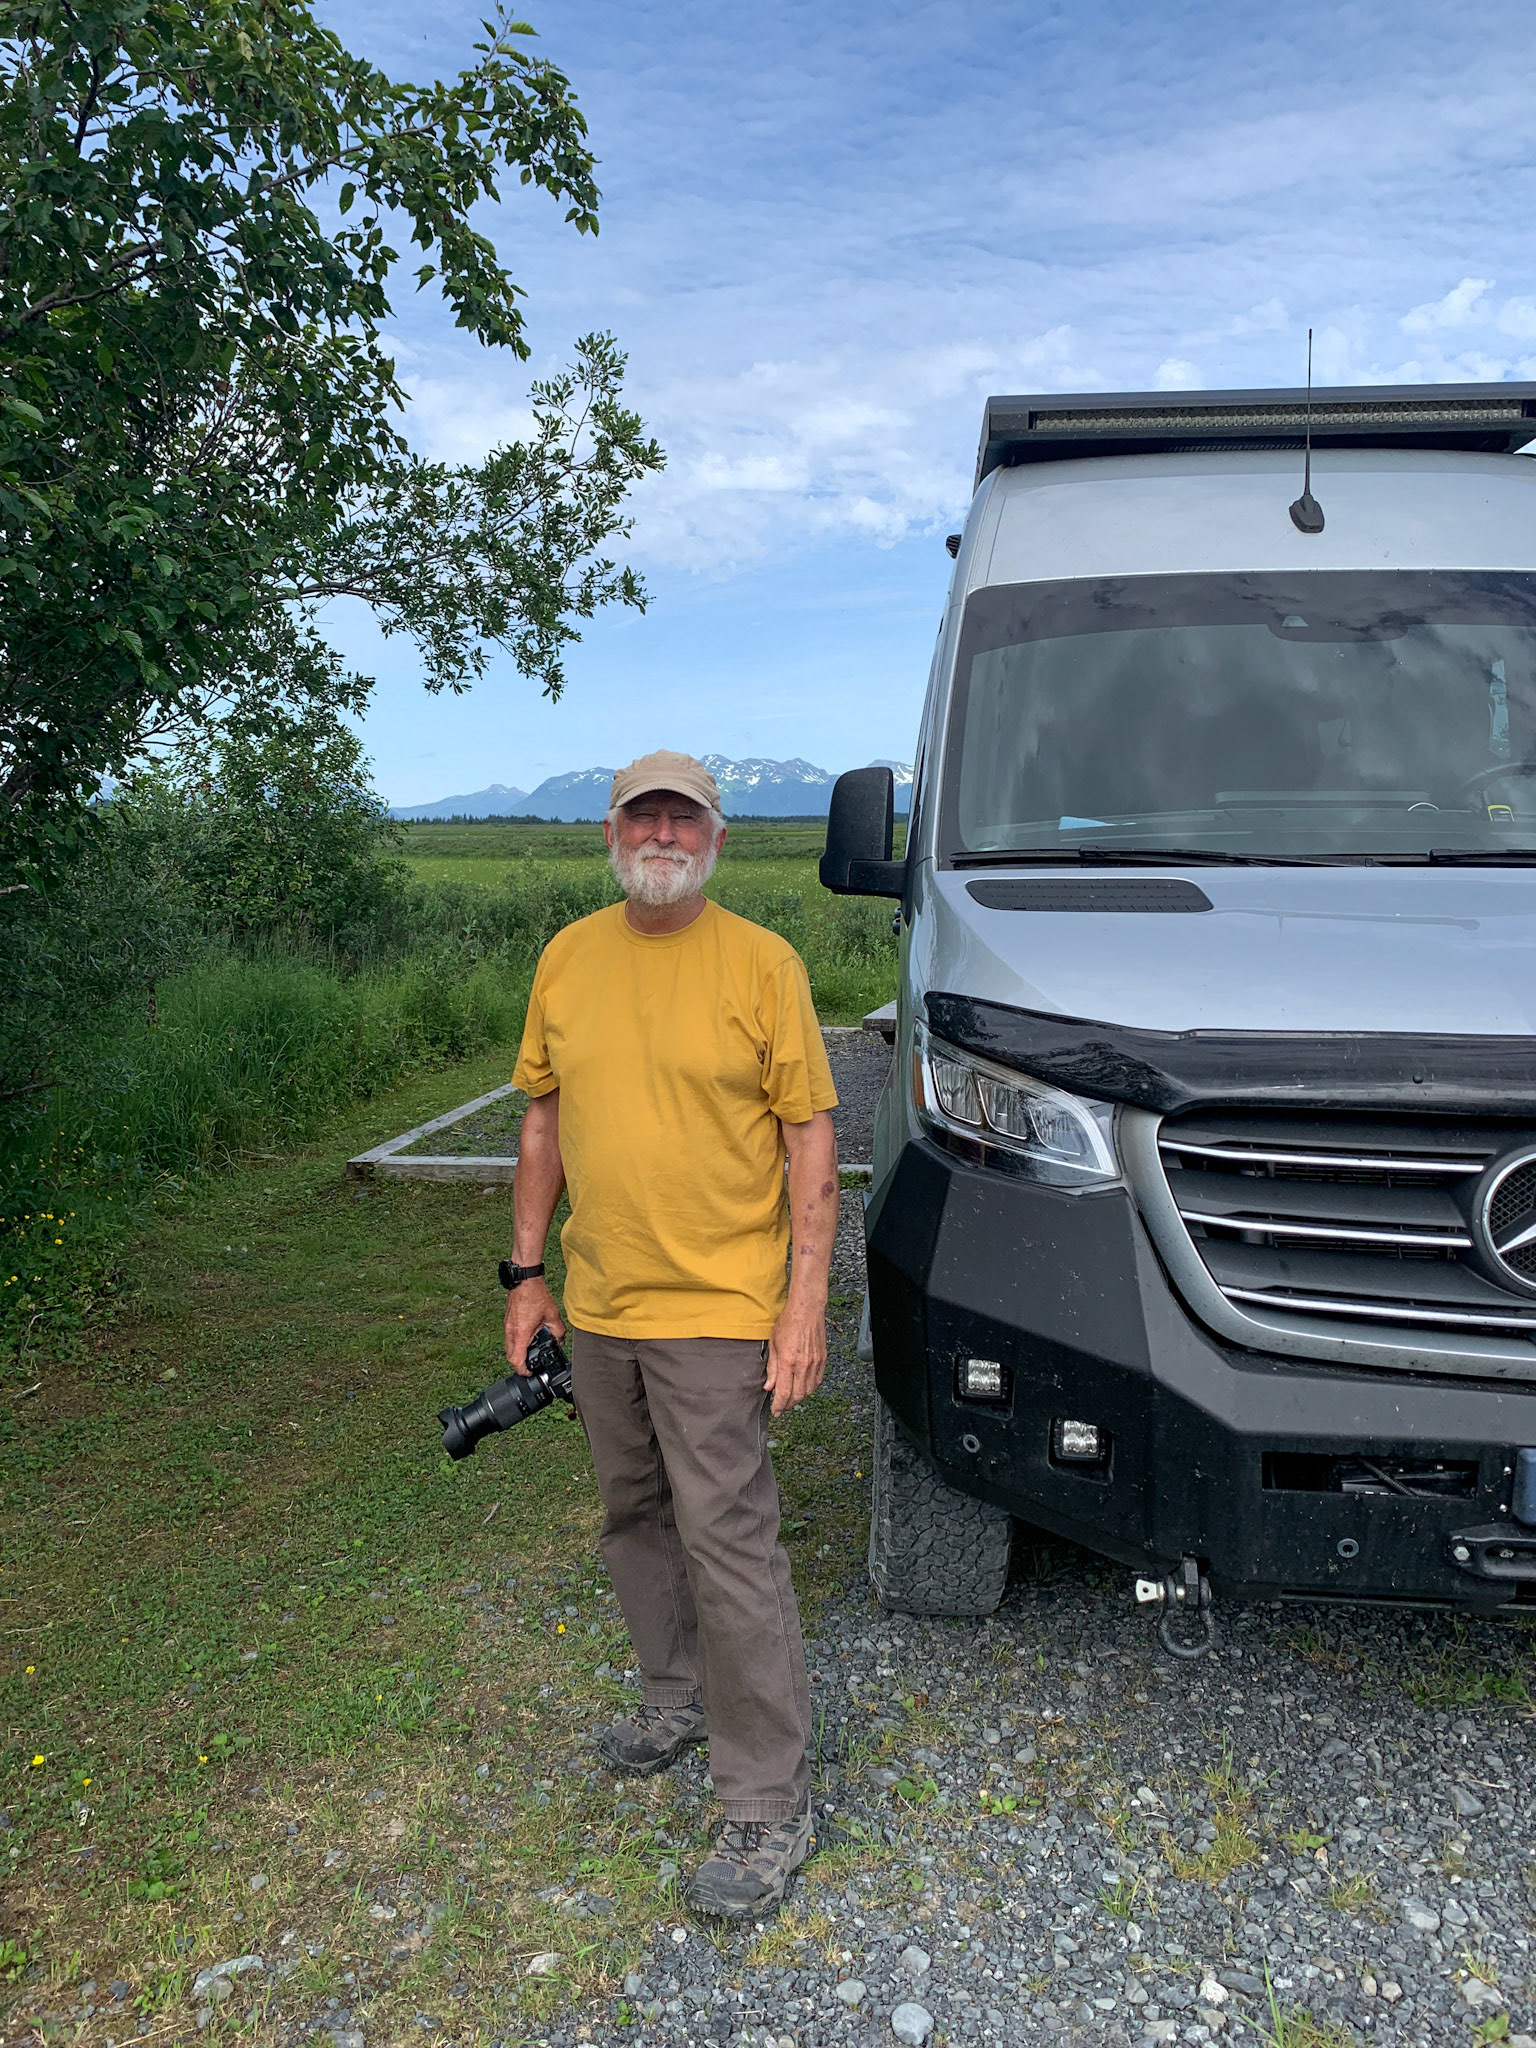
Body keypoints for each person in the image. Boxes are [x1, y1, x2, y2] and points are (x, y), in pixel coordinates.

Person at [502, 750, 840, 1920]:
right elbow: (544, 1119)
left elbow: (811, 1142)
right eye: (642, 814)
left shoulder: (762, 964)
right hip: (598, 1301)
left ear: (716, 839)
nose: (661, 833)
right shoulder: (569, 957)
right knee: (633, 1512)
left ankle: (767, 1797)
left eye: (682, 817)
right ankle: (675, 1689)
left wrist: (803, 1303)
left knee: (729, 1538)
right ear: (610, 828)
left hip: (715, 1310)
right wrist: (529, 1274)